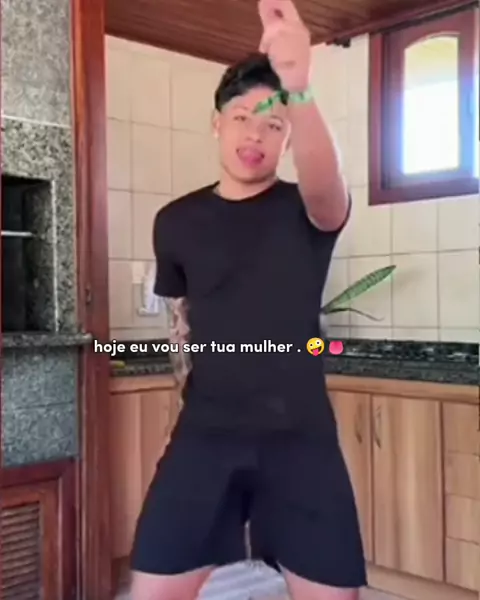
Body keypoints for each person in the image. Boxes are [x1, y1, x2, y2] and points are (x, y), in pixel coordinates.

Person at [130, 0, 366, 598]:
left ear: (287, 139)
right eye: (241, 117)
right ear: (217, 123)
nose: (255, 134)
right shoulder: (175, 221)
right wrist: (182, 403)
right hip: (205, 436)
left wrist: (298, 88)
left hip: (300, 440)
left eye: (273, 124)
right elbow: (180, 328)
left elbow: (328, 188)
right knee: (152, 587)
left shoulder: (308, 209)